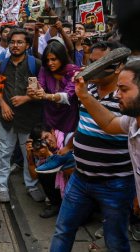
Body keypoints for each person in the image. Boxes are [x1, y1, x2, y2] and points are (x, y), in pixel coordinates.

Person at [50, 42, 134, 251]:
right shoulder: (87, 90)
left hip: (115, 184)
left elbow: (113, 126)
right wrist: (70, 146)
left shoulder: (128, 98)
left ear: (117, 67)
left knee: (115, 239)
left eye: (99, 63)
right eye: (91, 62)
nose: (91, 68)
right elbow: (87, 125)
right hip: (80, 178)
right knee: (63, 229)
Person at [0, 28, 43, 203]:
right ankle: (2, 186)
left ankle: (31, 185)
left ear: (27, 45)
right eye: (12, 42)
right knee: (3, 153)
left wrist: (26, 97)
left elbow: (43, 90)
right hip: (6, 118)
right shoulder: (2, 65)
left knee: (29, 153)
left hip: (29, 118)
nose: (15, 45)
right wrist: (3, 105)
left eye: (20, 42)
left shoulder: (35, 64)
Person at [27, 40, 80, 134]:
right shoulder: (45, 69)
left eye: (53, 59)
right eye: (47, 60)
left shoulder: (73, 70)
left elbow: (67, 96)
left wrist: (46, 96)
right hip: (50, 115)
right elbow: (41, 88)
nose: (50, 63)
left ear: (62, 58)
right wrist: (34, 93)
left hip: (68, 116)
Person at [26, 124, 73, 218]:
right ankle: (55, 204)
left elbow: (71, 172)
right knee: (43, 170)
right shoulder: (42, 151)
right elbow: (35, 175)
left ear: (52, 131)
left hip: (80, 183)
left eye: (47, 137)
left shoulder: (68, 141)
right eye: (42, 141)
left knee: (79, 219)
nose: (47, 142)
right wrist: (30, 156)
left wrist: (50, 155)